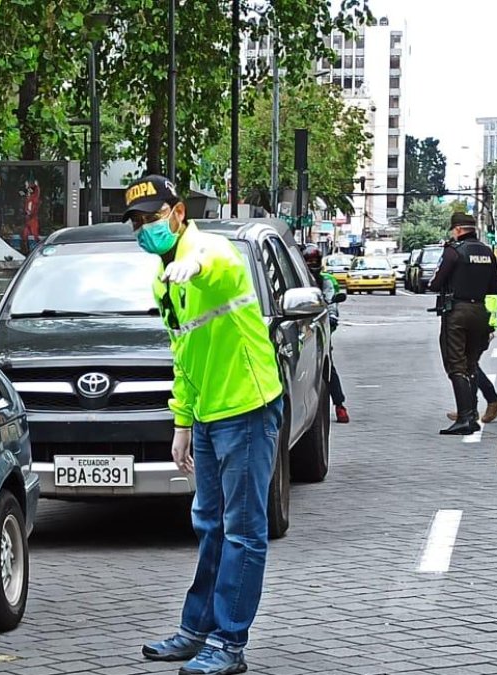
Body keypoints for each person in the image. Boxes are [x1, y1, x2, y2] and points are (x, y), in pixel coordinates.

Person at [126, 175, 284, 675]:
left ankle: (229, 643)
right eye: (136, 222)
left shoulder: (212, 253)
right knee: (210, 524)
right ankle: (197, 631)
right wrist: (183, 421)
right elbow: (184, 354)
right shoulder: (162, 279)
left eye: (152, 217)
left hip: (246, 408)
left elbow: (217, 264)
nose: (144, 228)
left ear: (178, 213)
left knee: (243, 531)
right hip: (209, 415)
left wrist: (194, 265)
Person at [427, 212, 497, 435]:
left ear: (458, 230)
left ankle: (465, 418)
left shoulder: (454, 251)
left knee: (456, 365)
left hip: (457, 312)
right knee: (471, 364)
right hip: (480, 312)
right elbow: (495, 287)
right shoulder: (487, 252)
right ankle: (470, 415)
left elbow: (435, 283)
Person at [302, 245, 350, 423]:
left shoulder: (326, 281)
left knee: (327, 367)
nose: (311, 265)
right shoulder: (296, 279)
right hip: (299, 326)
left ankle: (339, 405)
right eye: (308, 262)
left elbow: (331, 302)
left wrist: (331, 317)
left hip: (320, 326)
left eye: (314, 262)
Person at [446, 294, 497, 424]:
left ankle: (480, 406)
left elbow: (488, 300)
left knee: (469, 365)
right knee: (469, 364)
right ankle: (477, 406)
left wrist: (488, 328)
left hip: (480, 323)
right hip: (476, 321)